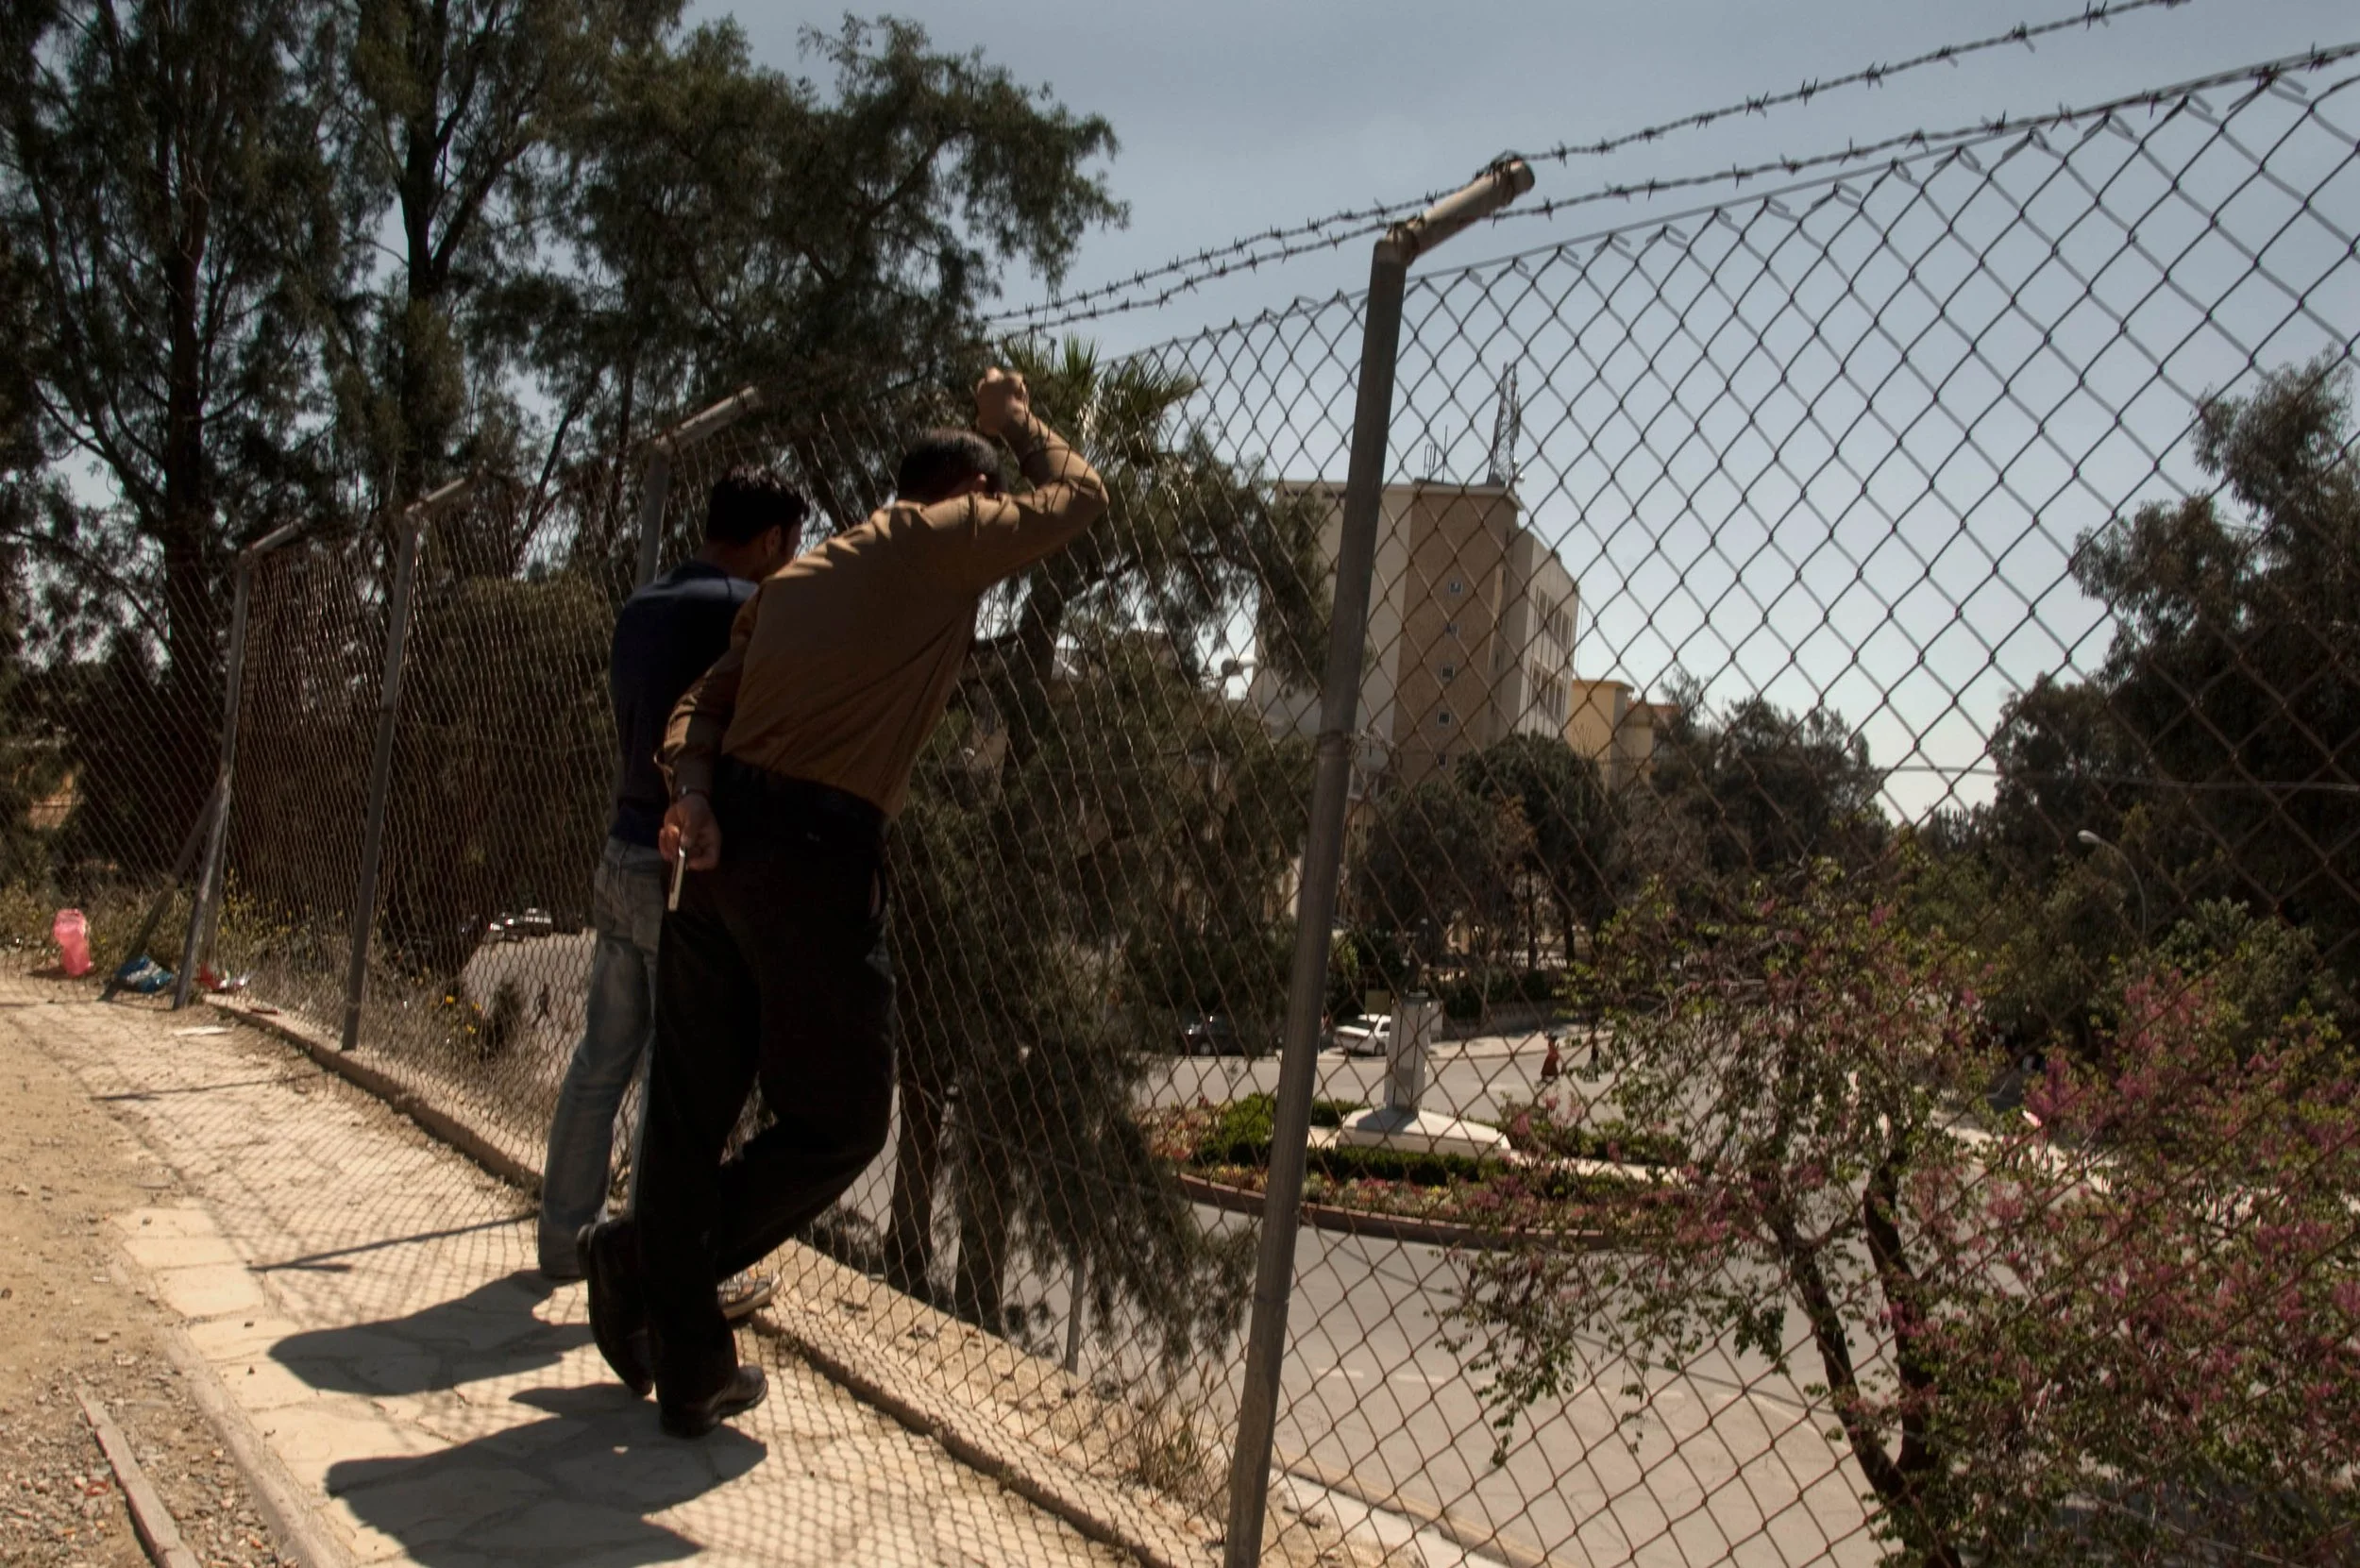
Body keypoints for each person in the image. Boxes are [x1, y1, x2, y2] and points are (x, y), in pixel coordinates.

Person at [578, 368, 1106, 1439]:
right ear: (960, 489)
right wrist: (1012, 416)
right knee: (845, 1118)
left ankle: (688, 1363)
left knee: (689, 1109)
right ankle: (640, 1258)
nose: (994, 518)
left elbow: (698, 704)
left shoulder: (804, 574)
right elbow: (1082, 498)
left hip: (719, 844)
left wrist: (691, 792)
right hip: (811, 856)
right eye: (986, 490)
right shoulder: (935, 536)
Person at [537, 468, 805, 1306]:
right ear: (770, 540)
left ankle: (562, 1238)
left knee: (602, 1054)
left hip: (620, 844)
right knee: (679, 1080)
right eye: (790, 545)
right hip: (680, 859)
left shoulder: (641, 605)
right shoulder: (745, 612)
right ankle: (654, 1263)